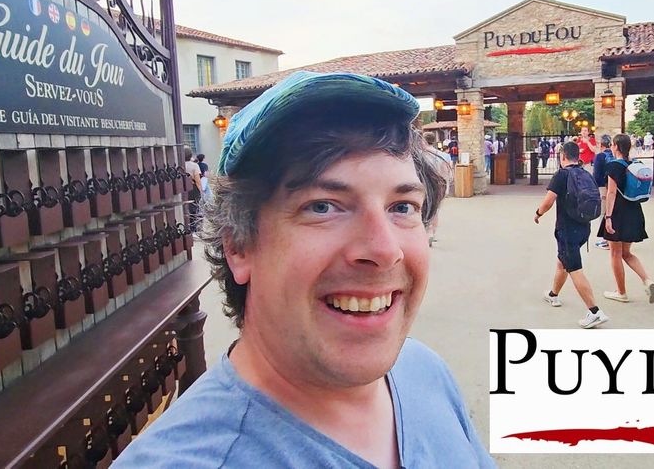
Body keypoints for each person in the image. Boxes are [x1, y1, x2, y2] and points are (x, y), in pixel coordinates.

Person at [116, 71, 494, 468]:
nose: (384, 250)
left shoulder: (423, 369)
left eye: (402, 207)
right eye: (322, 206)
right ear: (238, 245)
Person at [535, 141, 609, 329]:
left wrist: (538, 213)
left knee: (574, 268)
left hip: (567, 229)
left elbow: (548, 201)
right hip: (584, 227)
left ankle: (594, 311)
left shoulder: (562, 175)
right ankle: (553, 294)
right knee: (563, 262)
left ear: (562, 156)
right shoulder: (586, 173)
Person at [598, 134, 654, 304]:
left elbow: (611, 192)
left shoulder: (613, 166)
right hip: (634, 211)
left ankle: (621, 291)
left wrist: (608, 217)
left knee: (615, 254)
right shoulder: (633, 164)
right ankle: (647, 280)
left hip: (618, 212)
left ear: (616, 146)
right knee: (627, 253)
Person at [423, 132, 453, 246]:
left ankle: (424, 231)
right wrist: (447, 186)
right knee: (435, 210)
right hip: (438, 185)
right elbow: (447, 173)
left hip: (423, 184)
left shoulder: (421, 155)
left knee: (422, 208)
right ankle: (432, 233)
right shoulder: (443, 156)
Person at [592, 134, 614, 249]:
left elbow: (596, 175)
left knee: (604, 213)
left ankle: (606, 239)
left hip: (603, 187)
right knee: (613, 212)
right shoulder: (615, 155)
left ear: (601, 145)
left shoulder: (600, 156)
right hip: (615, 188)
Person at [183, 147, 203, 231]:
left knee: (186, 207)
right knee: (195, 207)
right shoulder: (194, 165)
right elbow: (197, 180)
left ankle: (187, 226)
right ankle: (194, 227)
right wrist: (201, 190)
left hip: (183, 188)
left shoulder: (180, 165)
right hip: (193, 189)